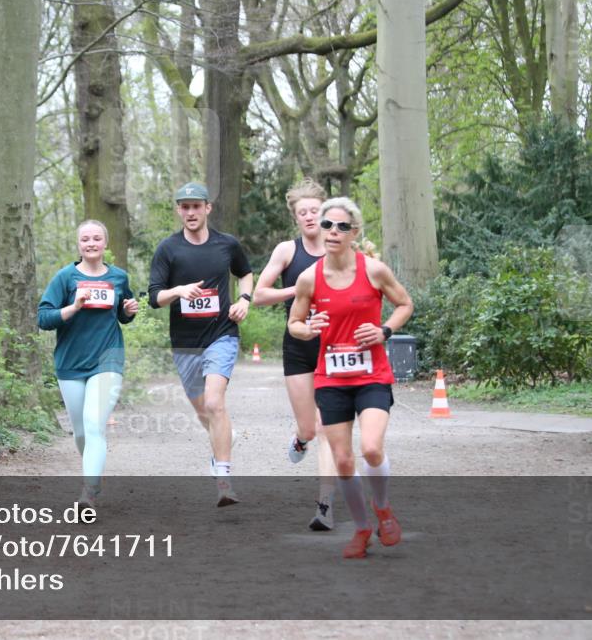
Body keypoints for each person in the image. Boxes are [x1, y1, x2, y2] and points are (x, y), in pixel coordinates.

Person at [287, 197, 413, 558]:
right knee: (343, 459)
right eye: (327, 225)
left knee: (371, 449)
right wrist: (308, 328)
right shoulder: (308, 277)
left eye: (342, 226)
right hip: (331, 378)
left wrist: (385, 331)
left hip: (371, 373)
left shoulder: (373, 270)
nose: (332, 232)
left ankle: (383, 508)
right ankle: (361, 529)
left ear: (354, 232)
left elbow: (405, 304)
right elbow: (294, 323)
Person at [148, 182, 254, 507]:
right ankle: (220, 438)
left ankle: (223, 479)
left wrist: (245, 300)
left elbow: (245, 273)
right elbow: (154, 297)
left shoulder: (227, 244)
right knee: (203, 411)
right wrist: (178, 291)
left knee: (214, 403)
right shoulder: (168, 249)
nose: (191, 212)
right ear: (179, 210)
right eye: (185, 206)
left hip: (222, 333)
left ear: (208, 208)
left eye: (197, 206)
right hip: (185, 343)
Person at [252, 179, 338, 530]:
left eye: (314, 211)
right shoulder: (287, 251)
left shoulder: (340, 247)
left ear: (325, 212)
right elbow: (258, 294)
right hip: (299, 345)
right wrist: (299, 288)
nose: (308, 217)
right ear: (296, 218)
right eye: (302, 212)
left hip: (335, 346)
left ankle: (326, 506)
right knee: (310, 428)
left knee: (328, 426)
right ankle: (300, 439)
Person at [38, 220, 139, 508]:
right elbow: (44, 318)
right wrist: (74, 307)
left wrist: (128, 311)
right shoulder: (65, 278)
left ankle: (88, 493)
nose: (91, 243)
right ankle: (92, 476)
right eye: (86, 239)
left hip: (108, 358)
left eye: (97, 238)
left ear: (105, 243)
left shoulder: (119, 277)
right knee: (82, 431)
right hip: (71, 362)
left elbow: (123, 314)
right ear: (79, 245)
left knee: (94, 425)